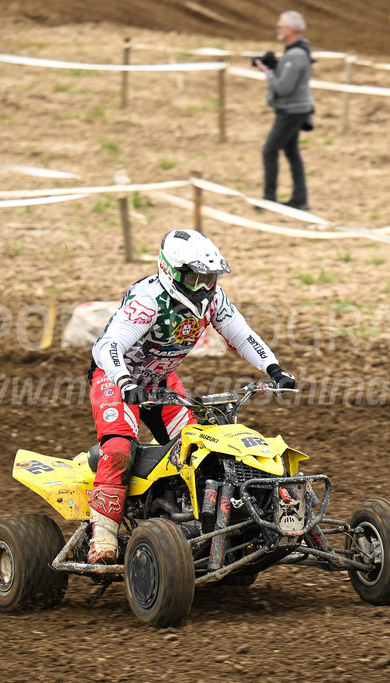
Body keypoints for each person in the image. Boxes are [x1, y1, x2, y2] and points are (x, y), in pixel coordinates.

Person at [86, 228, 295, 563]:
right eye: (197, 278)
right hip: (115, 378)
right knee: (118, 448)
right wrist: (125, 381)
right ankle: (103, 539)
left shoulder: (214, 300)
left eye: (210, 278)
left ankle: (199, 528)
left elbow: (241, 335)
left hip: (162, 380)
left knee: (199, 449)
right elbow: (107, 346)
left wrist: (274, 369)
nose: (205, 287)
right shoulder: (148, 301)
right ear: (173, 273)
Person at [255, 10, 314, 210]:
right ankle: (300, 198)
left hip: (291, 111)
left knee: (269, 150)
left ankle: (269, 198)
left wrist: (267, 72)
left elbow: (283, 87)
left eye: (279, 26)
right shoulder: (295, 52)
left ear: (289, 30)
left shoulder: (296, 54)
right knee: (291, 151)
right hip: (295, 109)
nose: (277, 30)